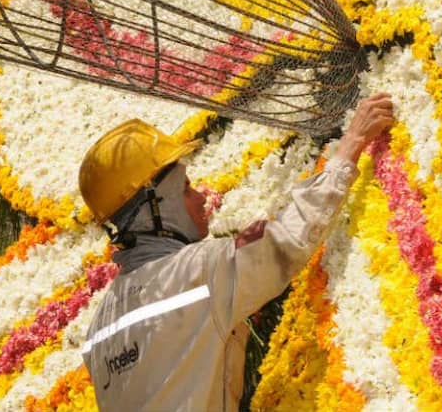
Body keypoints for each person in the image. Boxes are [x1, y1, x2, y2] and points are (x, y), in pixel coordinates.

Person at [78, 93, 394, 411]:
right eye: (185, 188)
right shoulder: (198, 274)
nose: (201, 197)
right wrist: (351, 145)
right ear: (157, 206)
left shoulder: (97, 332)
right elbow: (284, 238)